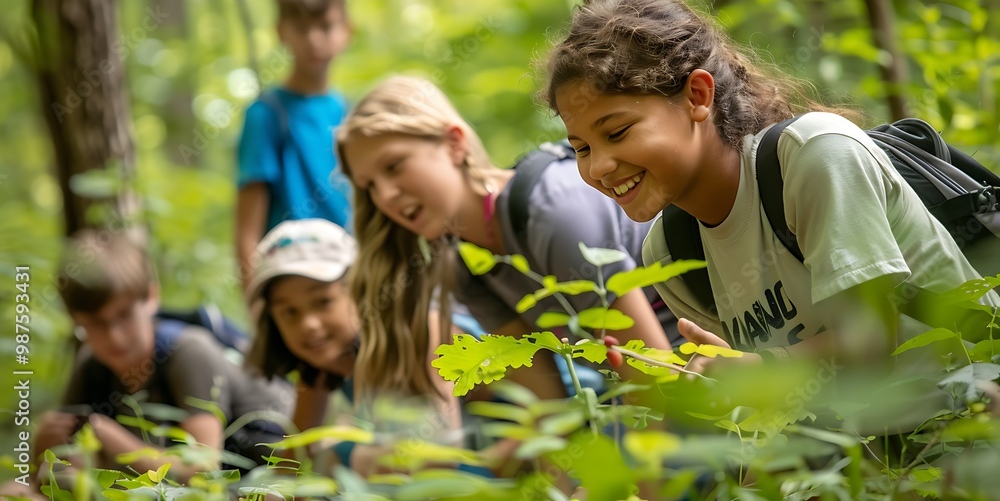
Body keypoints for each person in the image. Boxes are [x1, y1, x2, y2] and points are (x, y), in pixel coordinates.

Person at [543, 0, 999, 430]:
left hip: (974, 425)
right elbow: (786, 408)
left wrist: (759, 369)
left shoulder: (815, 155)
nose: (599, 166)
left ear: (697, 97)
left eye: (618, 132)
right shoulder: (670, 253)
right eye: (581, 148)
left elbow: (871, 341)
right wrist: (685, 393)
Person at [335, 76, 677, 403]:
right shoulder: (466, 265)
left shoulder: (551, 209)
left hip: (704, 381)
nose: (386, 196)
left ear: (454, 143)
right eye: (370, 186)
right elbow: (546, 406)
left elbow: (653, 379)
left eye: (394, 166)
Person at [30, 231, 294, 491]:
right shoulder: (91, 365)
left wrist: (106, 436)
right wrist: (43, 447)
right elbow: (52, 478)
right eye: (97, 324)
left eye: (124, 315)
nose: (115, 337)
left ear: (151, 297)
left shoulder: (189, 352)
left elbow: (202, 472)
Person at [244, 219, 499, 477]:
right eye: (289, 312)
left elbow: (436, 457)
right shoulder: (321, 363)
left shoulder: (416, 333)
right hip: (440, 470)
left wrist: (345, 458)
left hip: (500, 461)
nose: (308, 324)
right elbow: (294, 457)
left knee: (336, 455)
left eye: (323, 301)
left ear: (360, 288)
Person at [236, 0, 353, 293]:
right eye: (302, 28)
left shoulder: (350, 112)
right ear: (281, 31)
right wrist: (256, 301)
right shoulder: (266, 115)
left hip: (349, 278)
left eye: (325, 26)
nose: (314, 39)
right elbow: (247, 229)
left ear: (346, 30)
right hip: (292, 282)